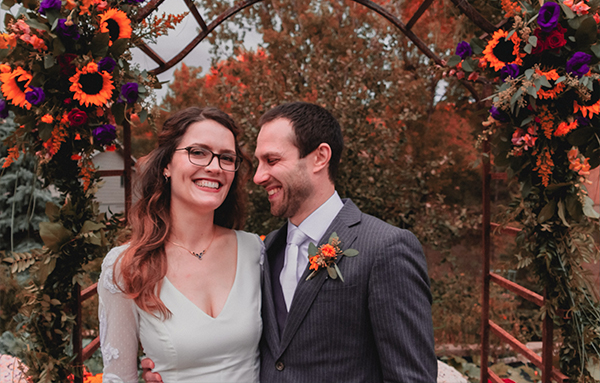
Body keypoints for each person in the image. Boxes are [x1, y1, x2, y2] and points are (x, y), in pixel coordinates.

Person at [143, 102, 437, 382]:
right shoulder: (263, 250)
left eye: (272, 160)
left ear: (320, 157)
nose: (258, 177)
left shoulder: (386, 248)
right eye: (258, 163)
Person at [98, 107, 264, 383]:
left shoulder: (254, 251)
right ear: (167, 165)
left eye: (226, 158)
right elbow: (118, 378)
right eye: (198, 152)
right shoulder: (125, 267)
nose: (214, 167)